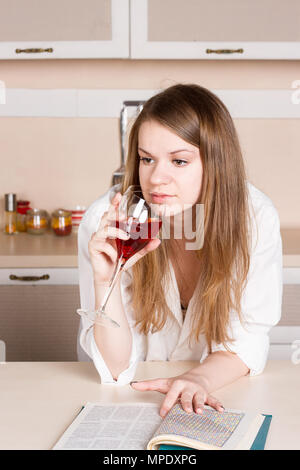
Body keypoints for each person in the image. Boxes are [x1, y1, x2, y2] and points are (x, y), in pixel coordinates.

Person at [77, 84, 282, 418]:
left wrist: (195, 379)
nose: (157, 178)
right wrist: (106, 281)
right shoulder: (108, 224)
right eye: (147, 159)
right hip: (129, 401)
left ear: (215, 163)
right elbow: (114, 370)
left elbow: (246, 342)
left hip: (213, 394)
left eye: (179, 160)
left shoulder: (254, 219)